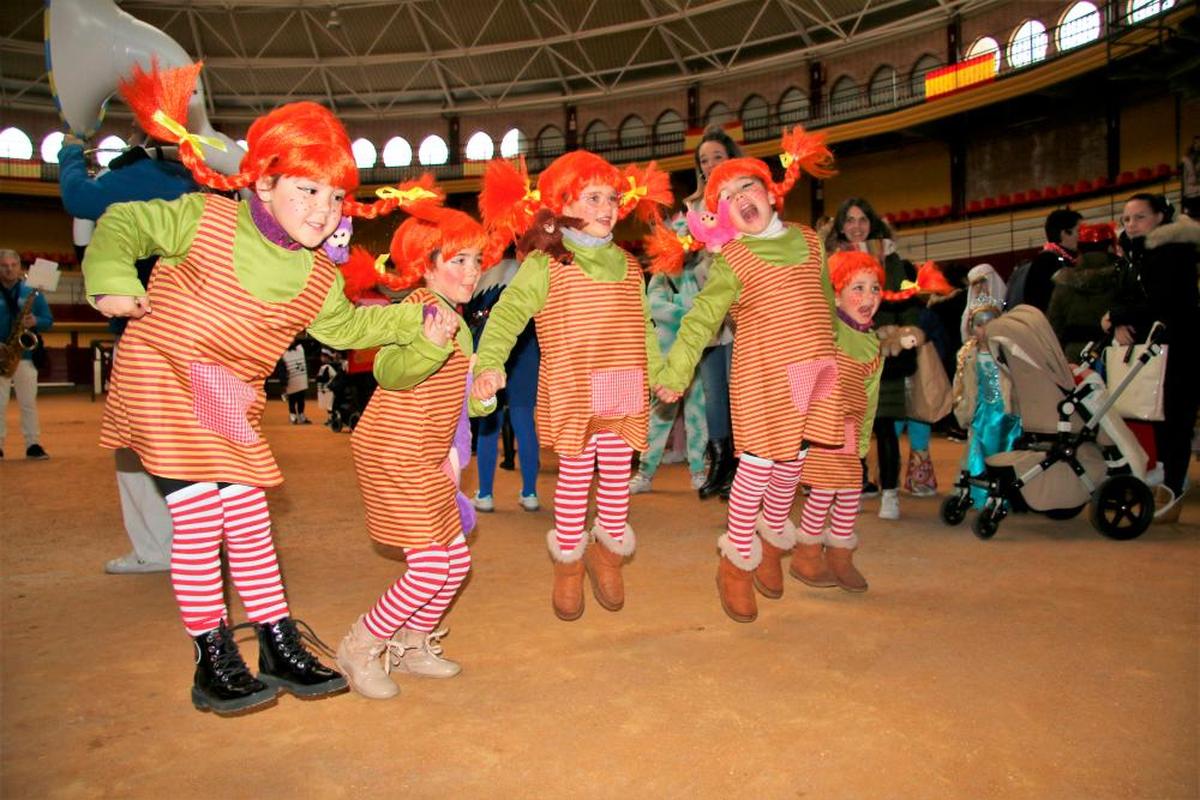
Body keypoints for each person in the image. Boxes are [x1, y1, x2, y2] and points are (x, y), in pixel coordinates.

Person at [82, 61, 442, 715]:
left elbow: (345, 322)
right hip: (164, 371)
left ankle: (275, 642)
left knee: (247, 517)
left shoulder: (315, 275)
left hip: (226, 390)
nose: (324, 211)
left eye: (335, 198)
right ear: (266, 180)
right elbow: (123, 225)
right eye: (307, 191)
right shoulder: (206, 218)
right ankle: (212, 655)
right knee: (198, 514)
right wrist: (115, 276)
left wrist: (412, 316)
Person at [653, 125, 840, 624]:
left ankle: (773, 540)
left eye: (747, 187)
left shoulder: (808, 240)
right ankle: (736, 561)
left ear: (771, 191)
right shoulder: (732, 258)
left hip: (816, 368)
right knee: (758, 466)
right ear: (723, 219)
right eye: (727, 197)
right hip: (763, 373)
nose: (740, 198)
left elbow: (825, 302)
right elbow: (700, 320)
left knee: (794, 465)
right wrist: (676, 369)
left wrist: (840, 358)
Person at [473, 152, 671, 622]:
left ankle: (607, 552)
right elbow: (507, 314)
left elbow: (643, 325)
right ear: (563, 203)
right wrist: (489, 362)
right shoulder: (545, 264)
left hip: (623, 383)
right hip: (574, 387)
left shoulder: (629, 264)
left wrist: (661, 372)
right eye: (594, 197)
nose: (608, 207)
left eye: (613, 198)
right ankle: (568, 562)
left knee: (618, 473)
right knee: (576, 476)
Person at [337, 204, 498, 700]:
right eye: (457, 260)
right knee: (430, 566)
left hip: (427, 454)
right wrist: (428, 344)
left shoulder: (458, 320)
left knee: (455, 563)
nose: (472, 271)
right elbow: (388, 371)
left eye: (476, 259)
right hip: (393, 450)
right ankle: (358, 647)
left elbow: (456, 400)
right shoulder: (416, 312)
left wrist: (482, 392)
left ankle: (411, 643)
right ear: (424, 267)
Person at [59, 133, 198, 574]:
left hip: (144, 330)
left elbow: (78, 197)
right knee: (200, 441)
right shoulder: (197, 182)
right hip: (200, 330)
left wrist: (70, 151)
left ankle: (159, 548)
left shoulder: (140, 175)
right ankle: (204, 541)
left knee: (133, 444)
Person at [792, 251, 885, 594]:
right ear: (834, 294)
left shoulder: (873, 344)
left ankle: (841, 554)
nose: (868, 297)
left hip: (849, 427)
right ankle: (807, 553)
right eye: (857, 288)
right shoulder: (826, 327)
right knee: (825, 490)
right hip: (822, 427)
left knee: (849, 491)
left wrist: (862, 441)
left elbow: (870, 398)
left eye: (874, 288)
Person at [1104, 193, 1200, 522]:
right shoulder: (1137, 255)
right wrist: (1117, 318)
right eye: (1127, 219)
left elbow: (1164, 304)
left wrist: (1118, 315)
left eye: (1140, 217)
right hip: (1156, 347)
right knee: (1154, 412)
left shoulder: (1172, 252)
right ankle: (1164, 476)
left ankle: (1173, 485)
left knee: (1174, 418)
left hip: (1180, 348)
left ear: (1160, 217)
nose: (1131, 224)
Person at [830, 197, 925, 519]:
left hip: (885, 350)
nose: (856, 226)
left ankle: (889, 493)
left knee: (884, 425)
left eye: (862, 220)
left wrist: (903, 329)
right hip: (846, 352)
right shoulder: (833, 259)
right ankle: (854, 488)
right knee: (849, 426)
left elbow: (908, 300)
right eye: (850, 220)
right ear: (841, 226)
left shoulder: (891, 258)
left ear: (873, 224)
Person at [683, 126, 742, 500]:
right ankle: (720, 466)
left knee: (739, 393)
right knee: (714, 394)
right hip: (707, 310)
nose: (709, 165)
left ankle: (743, 470)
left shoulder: (746, 198)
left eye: (717, 157)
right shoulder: (692, 205)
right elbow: (684, 256)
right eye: (704, 160)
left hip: (738, 311)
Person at [628, 251, 708, 494]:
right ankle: (645, 472)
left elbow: (714, 305)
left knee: (698, 415)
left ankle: (699, 470)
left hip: (696, 353)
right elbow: (655, 306)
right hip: (666, 356)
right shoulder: (662, 273)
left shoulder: (704, 269)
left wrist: (683, 306)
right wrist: (694, 310)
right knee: (660, 416)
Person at [466, 257, 541, 513]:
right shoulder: (533, 269)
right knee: (524, 421)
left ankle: (485, 494)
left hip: (491, 348)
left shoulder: (486, 274)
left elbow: (472, 317)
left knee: (488, 423)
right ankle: (530, 492)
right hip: (527, 350)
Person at [952, 294, 1020, 510]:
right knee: (977, 449)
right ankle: (979, 493)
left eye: (990, 323)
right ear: (971, 327)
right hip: (981, 411)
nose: (984, 329)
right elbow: (960, 385)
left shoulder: (1007, 351)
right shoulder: (967, 354)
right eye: (979, 324)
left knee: (1005, 450)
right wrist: (963, 409)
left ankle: (1005, 494)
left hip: (1006, 412)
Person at [0, 249, 52, 461]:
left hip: (25, 356)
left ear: (20, 266)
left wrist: (35, 322)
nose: (9, 269)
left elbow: (49, 320)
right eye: (4, 265)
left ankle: (33, 444)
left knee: (28, 403)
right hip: (1, 356)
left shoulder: (33, 292)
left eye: (13, 265)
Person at [1048, 222, 1120, 363]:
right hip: (1115, 350)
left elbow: (1054, 324)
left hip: (1075, 355)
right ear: (1111, 247)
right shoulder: (1121, 277)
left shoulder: (1064, 282)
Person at [1019, 209, 1081, 312]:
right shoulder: (1046, 261)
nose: (1082, 236)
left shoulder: (1069, 257)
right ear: (1064, 233)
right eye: (1079, 231)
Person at [280, 339, 311, 424]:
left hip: (300, 381)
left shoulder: (300, 350)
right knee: (292, 401)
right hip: (291, 382)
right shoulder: (284, 354)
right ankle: (293, 416)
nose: (291, 341)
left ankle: (301, 415)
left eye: (293, 340)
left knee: (301, 400)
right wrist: (283, 383)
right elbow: (282, 370)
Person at [315, 347, 342, 426]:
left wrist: (317, 378)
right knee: (330, 405)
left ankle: (331, 419)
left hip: (330, 389)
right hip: (330, 388)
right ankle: (332, 418)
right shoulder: (328, 366)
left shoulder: (327, 367)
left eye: (324, 356)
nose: (322, 358)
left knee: (330, 406)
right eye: (322, 356)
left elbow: (323, 378)